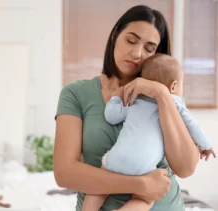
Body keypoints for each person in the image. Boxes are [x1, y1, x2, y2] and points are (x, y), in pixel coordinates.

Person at [54, 5, 200, 211]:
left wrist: (161, 94)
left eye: (149, 48)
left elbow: (185, 168)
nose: (137, 53)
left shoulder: (167, 96)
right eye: (131, 40)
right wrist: (140, 184)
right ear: (115, 35)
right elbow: (64, 173)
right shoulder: (77, 93)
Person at [82, 53, 216, 211]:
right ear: (173, 86)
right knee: (145, 199)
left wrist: (116, 98)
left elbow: (111, 117)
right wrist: (206, 145)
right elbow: (193, 126)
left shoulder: (134, 99)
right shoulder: (176, 104)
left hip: (116, 158)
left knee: (98, 189)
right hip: (143, 166)